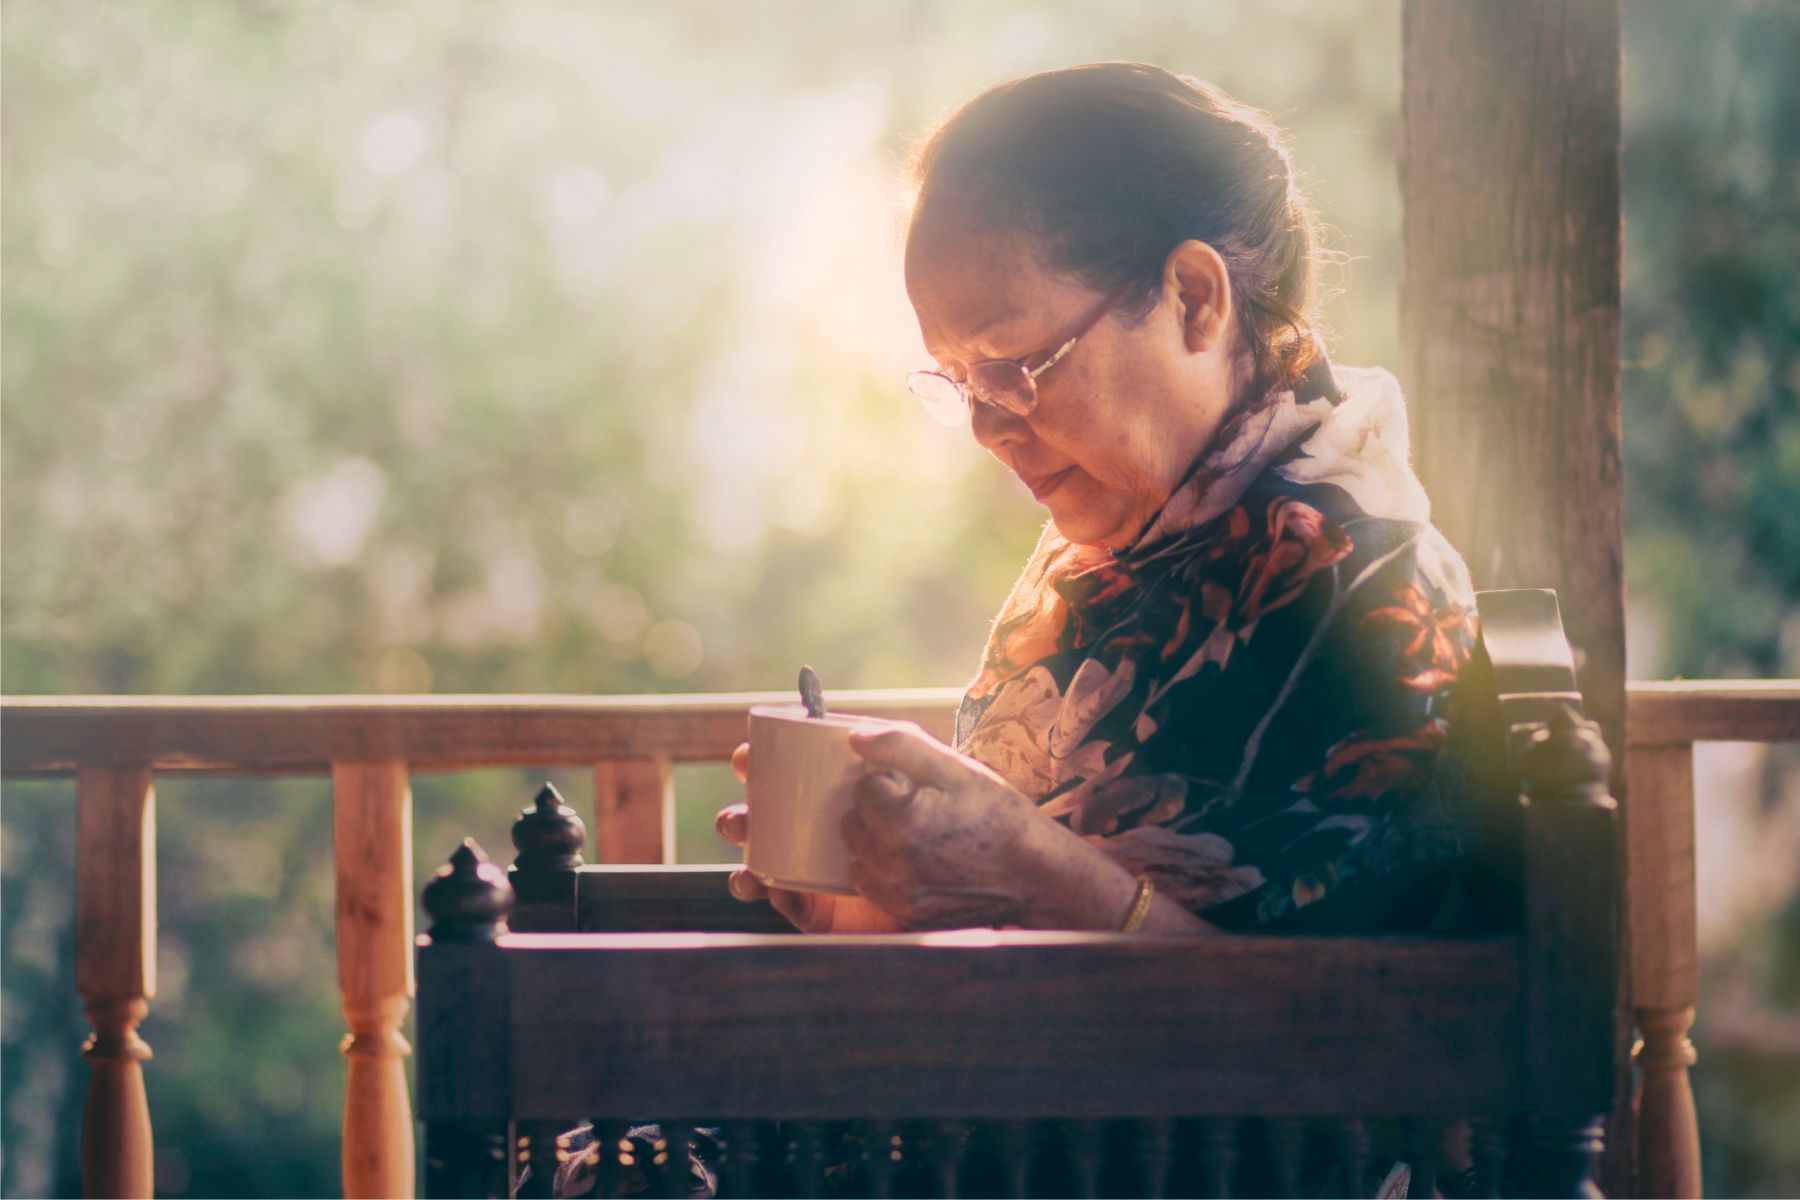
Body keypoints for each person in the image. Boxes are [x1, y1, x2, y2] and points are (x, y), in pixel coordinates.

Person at [716, 61, 1479, 944]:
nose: (984, 428)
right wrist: (867, 901)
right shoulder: (1129, 546)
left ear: (1194, 298)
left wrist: (1027, 869)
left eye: (1013, 366)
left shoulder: (1360, 586)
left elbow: (1326, 1040)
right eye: (958, 379)